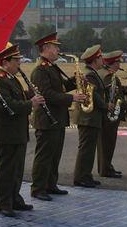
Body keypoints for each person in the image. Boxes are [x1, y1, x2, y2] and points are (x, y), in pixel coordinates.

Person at [30, 32, 88, 201]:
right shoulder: (40, 70)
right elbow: (47, 94)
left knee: (55, 154)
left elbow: (60, 87)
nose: (58, 50)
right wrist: (72, 98)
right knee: (44, 156)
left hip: (57, 118)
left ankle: (50, 184)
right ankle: (38, 188)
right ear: (46, 49)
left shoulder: (51, 67)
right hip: (46, 120)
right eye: (55, 47)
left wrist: (74, 80)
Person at [0, 45, 45, 217]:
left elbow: (16, 98)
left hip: (17, 131)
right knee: (6, 169)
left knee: (17, 169)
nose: (19, 63)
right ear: (5, 62)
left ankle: (15, 198)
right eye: (16, 60)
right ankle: (3, 203)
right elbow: (8, 106)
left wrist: (29, 94)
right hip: (6, 132)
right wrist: (32, 103)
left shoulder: (12, 78)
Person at [73, 45, 108, 188]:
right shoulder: (89, 75)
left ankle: (86, 175)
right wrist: (106, 106)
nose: (102, 60)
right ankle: (81, 177)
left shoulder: (93, 73)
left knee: (89, 149)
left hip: (91, 117)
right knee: (86, 149)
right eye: (100, 57)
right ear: (95, 59)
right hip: (88, 117)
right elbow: (94, 95)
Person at [97, 50, 126, 178]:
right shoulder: (109, 76)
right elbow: (111, 96)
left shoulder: (104, 73)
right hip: (109, 115)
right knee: (107, 143)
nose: (120, 64)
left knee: (105, 143)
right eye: (118, 61)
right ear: (113, 63)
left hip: (106, 114)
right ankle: (105, 169)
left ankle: (106, 167)